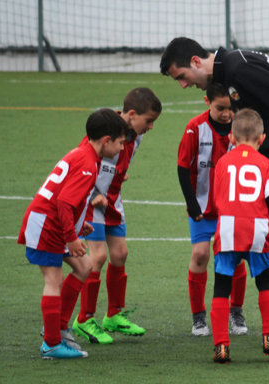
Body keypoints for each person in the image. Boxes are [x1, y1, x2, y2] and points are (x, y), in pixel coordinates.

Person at [160, 37, 269, 346]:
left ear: (194, 62)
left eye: (181, 77)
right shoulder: (232, 70)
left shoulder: (238, 69)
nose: (183, 85)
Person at [18, 108, 127, 359]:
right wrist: (71, 237)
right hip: (47, 225)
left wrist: (80, 226)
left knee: (84, 265)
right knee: (53, 281)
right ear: (106, 141)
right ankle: (52, 344)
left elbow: (69, 198)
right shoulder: (88, 163)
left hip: (54, 223)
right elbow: (64, 203)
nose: (122, 149)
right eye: (121, 143)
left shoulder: (86, 155)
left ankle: (60, 327)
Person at [71, 88, 162, 345]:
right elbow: (81, 162)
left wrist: (119, 175)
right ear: (131, 115)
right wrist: (91, 195)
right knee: (97, 256)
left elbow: (118, 162)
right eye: (149, 121)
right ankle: (84, 319)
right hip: (92, 200)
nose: (151, 127)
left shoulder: (136, 135)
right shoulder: (105, 127)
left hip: (112, 200)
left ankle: (113, 315)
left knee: (120, 254)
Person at [209, 108, 269, 363]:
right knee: (264, 281)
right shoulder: (268, 165)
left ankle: (221, 345)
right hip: (256, 228)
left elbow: (218, 199)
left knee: (222, 286)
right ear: (262, 139)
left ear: (231, 139)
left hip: (229, 228)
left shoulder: (222, 162)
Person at [177, 82, 248, 337]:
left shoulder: (241, 129)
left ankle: (236, 312)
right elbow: (183, 167)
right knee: (200, 255)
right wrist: (191, 202)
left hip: (232, 208)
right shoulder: (194, 128)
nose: (227, 114)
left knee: (236, 258)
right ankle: (198, 318)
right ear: (207, 103)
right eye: (221, 108)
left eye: (231, 108)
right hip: (201, 208)